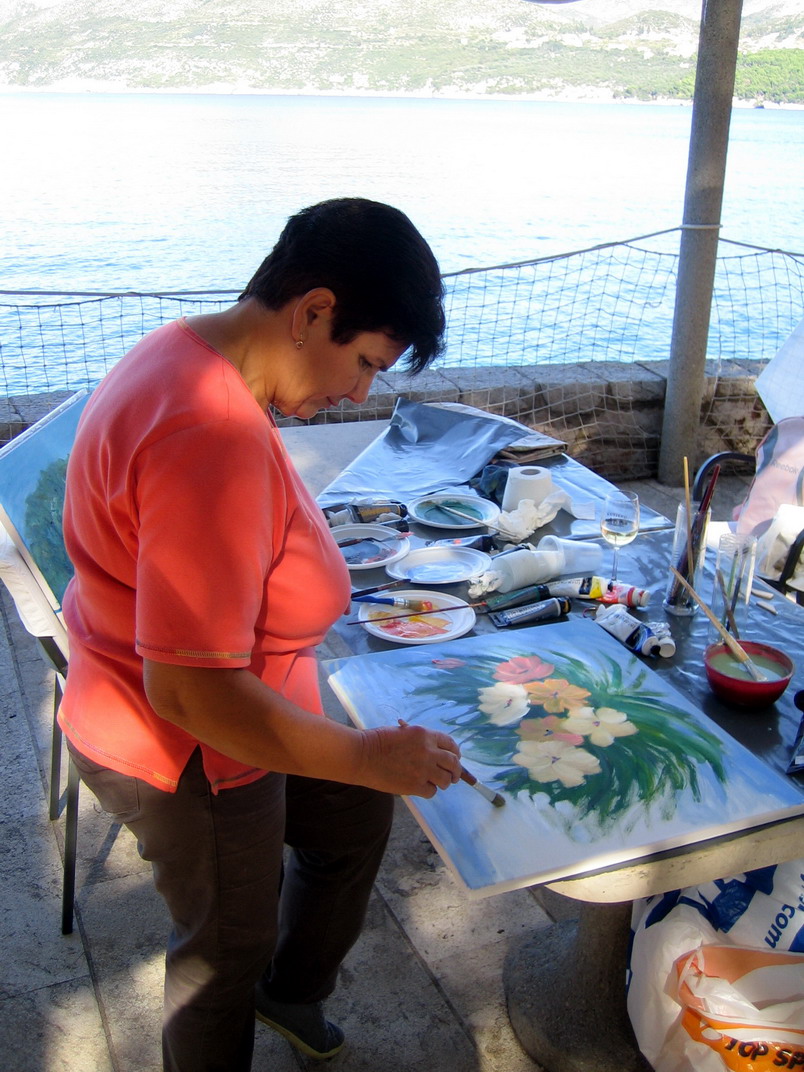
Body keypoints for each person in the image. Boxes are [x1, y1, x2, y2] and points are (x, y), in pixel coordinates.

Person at [59, 197, 462, 1072]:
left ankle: (292, 990)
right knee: (222, 954)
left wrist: (363, 768)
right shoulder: (208, 433)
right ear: (313, 310)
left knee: (353, 818)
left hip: (249, 702)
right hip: (192, 747)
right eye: (364, 362)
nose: (358, 393)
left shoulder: (189, 350)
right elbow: (191, 690)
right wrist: (366, 753)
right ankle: (251, 997)